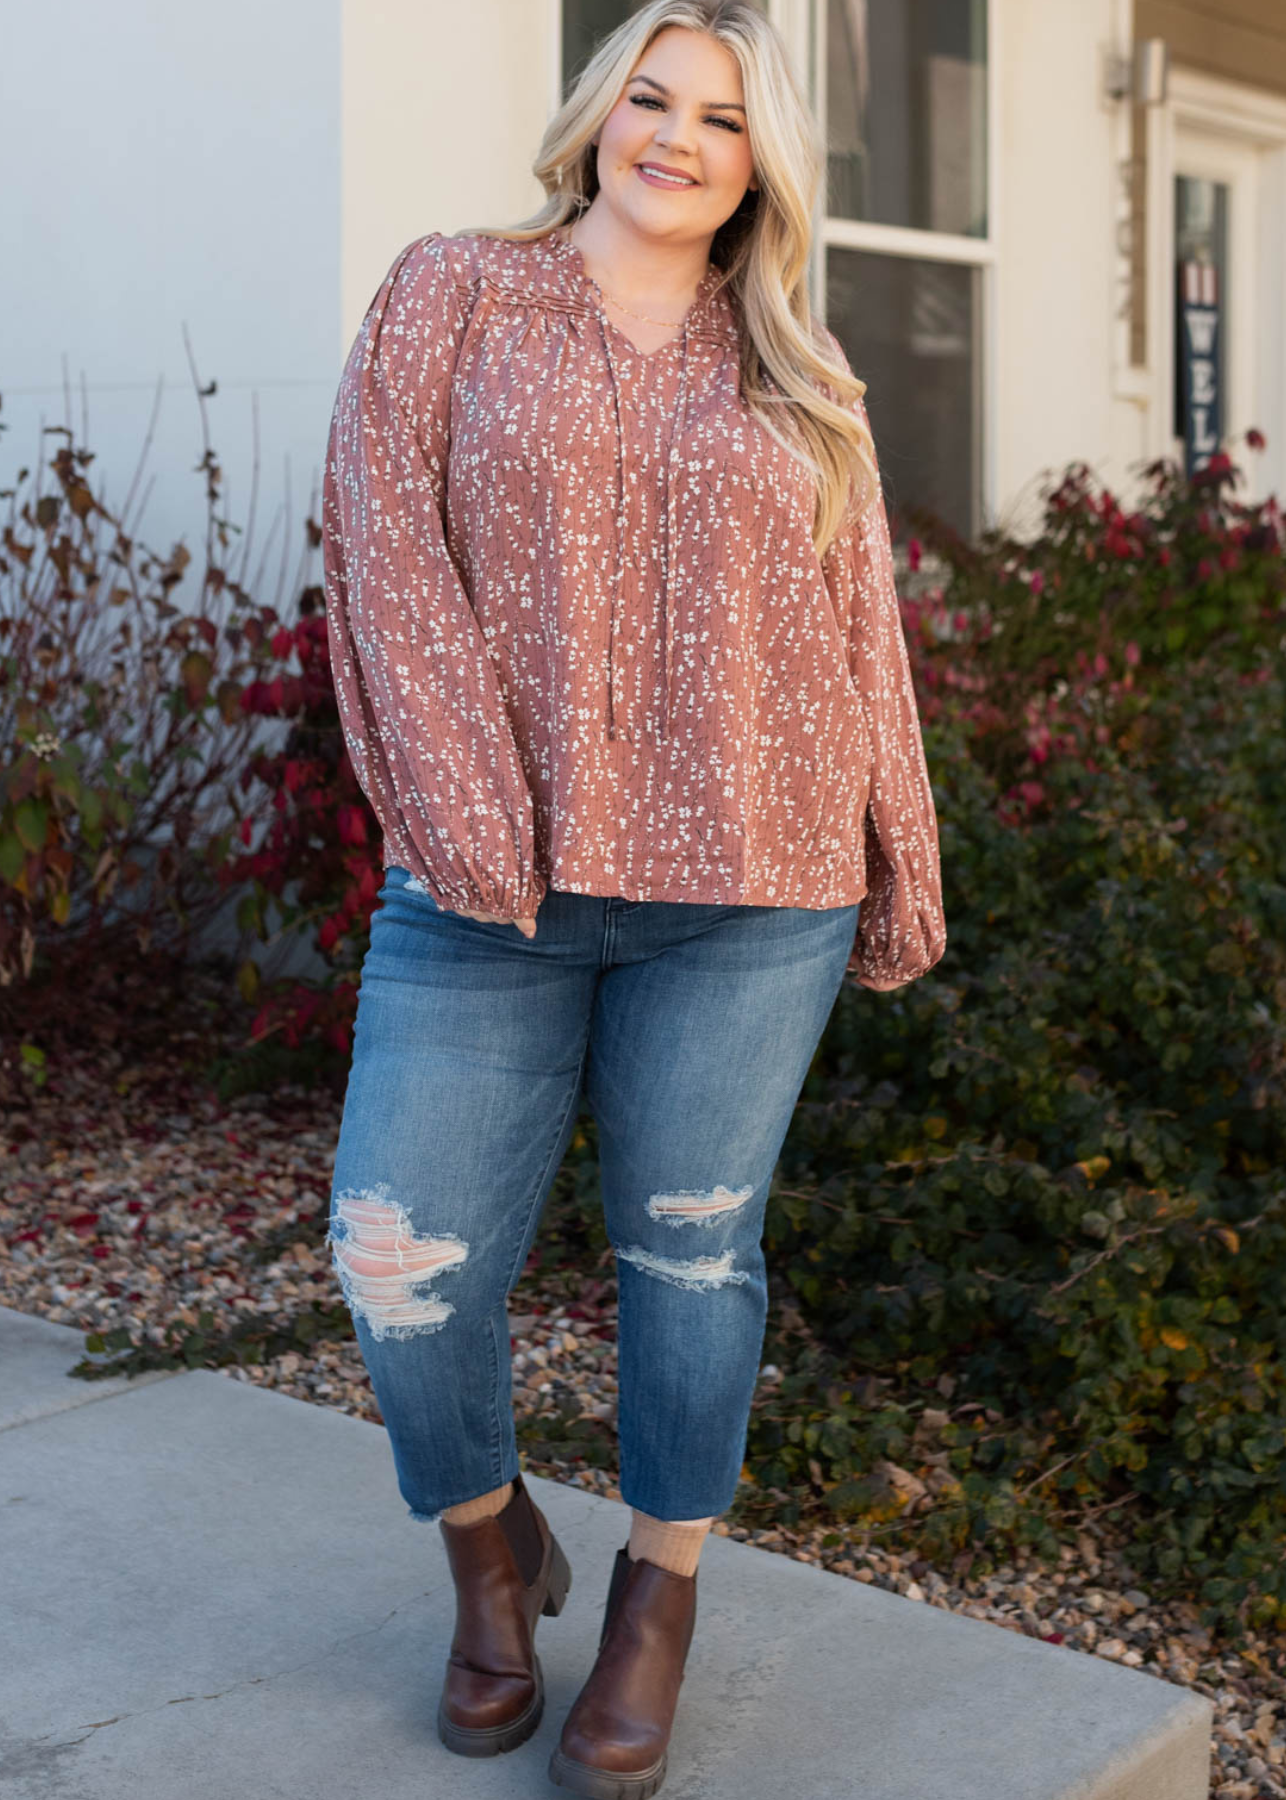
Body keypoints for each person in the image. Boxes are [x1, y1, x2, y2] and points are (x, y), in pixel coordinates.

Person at [320, 1, 946, 1793]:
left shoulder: (801, 374)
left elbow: (857, 646)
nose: (674, 137)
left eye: (721, 120)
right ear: (598, 115)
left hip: (752, 901)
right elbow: (380, 536)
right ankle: (488, 1550)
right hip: (485, 895)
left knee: (688, 1257)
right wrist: (464, 805)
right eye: (648, 98)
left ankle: (657, 1600)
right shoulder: (455, 291)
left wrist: (899, 858)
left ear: (763, 170)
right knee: (397, 1259)